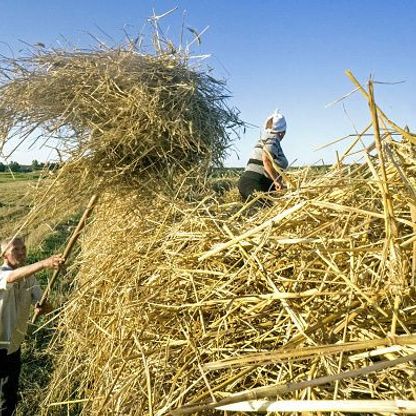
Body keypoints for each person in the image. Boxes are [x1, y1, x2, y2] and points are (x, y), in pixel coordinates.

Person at [0, 237, 64, 416]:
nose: (21, 252)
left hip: (14, 343)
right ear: (4, 255)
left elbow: (43, 304)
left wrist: (43, 307)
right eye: (15, 250)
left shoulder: (30, 278)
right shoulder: (2, 274)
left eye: (23, 248)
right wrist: (45, 263)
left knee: (9, 394)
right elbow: (12, 277)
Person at [238, 110, 289, 201]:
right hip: (255, 182)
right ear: (282, 132)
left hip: (252, 182)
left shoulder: (266, 138)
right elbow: (266, 159)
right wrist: (276, 181)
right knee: (265, 210)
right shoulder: (273, 139)